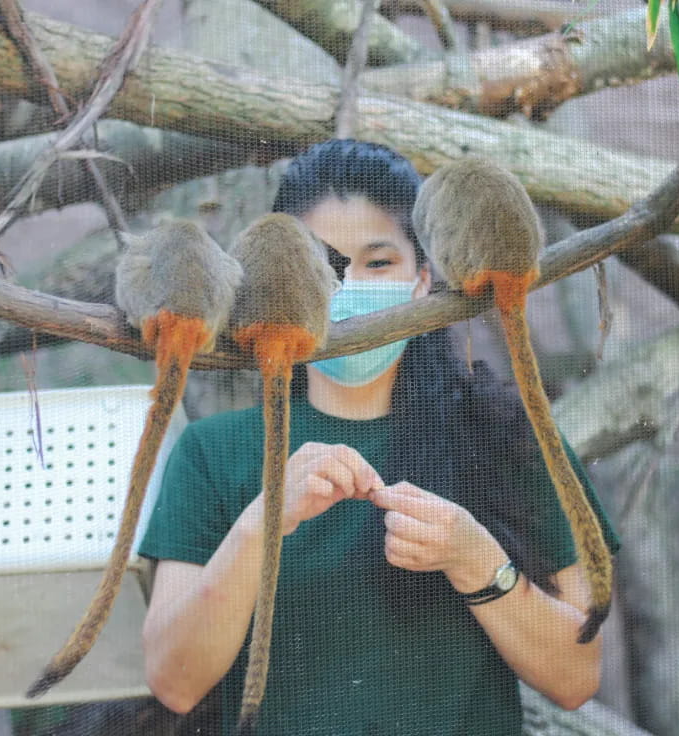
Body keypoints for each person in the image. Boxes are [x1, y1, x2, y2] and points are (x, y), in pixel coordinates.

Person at [138, 139, 620, 735]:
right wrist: (260, 524)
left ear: (423, 278)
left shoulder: (506, 436)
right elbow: (175, 682)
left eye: (379, 263)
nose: (352, 289)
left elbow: (576, 677)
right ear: (287, 283)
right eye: (326, 267)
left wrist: (476, 561)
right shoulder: (215, 453)